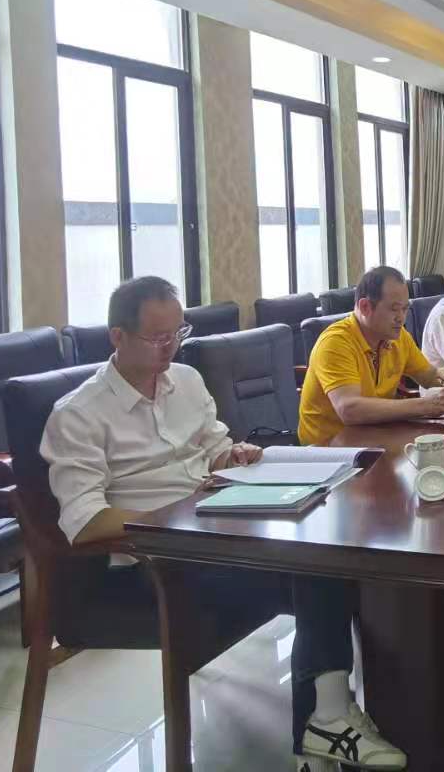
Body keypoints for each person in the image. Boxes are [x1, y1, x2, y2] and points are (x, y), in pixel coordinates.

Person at [41, 277, 407, 770]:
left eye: (178, 334)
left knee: (330, 556)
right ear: (117, 337)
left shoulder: (186, 381)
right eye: (157, 338)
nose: (170, 348)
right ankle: (325, 725)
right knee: (314, 569)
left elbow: (214, 447)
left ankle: (325, 724)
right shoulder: (78, 414)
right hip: (155, 565)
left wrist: (233, 454)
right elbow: (85, 523)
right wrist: (178, 515)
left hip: (216, 530)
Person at [298, 266, 444, 445]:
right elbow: (350, 409)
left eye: (405, 309)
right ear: (365, 307)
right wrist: (424, 405)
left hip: (375, 434)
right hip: (329, 449)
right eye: (394, 309)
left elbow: (431, 375)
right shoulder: (336, 343)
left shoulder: (397, 337)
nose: (401, 318)